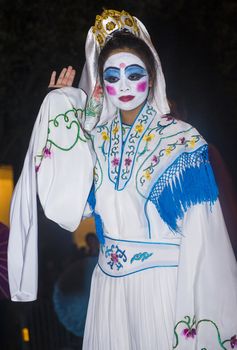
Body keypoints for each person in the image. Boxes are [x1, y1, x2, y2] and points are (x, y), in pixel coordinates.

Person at [8, 9, 237, 349]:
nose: (124, 84)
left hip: (164, 290)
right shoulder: (94, 140)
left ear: (152, 75)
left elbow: (205, 239)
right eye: (112, 76)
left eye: (134, 73)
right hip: (109, 294)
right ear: (101, 83)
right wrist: (60, 112)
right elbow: (65, 208)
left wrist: (197, 317)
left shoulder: (183, 141)